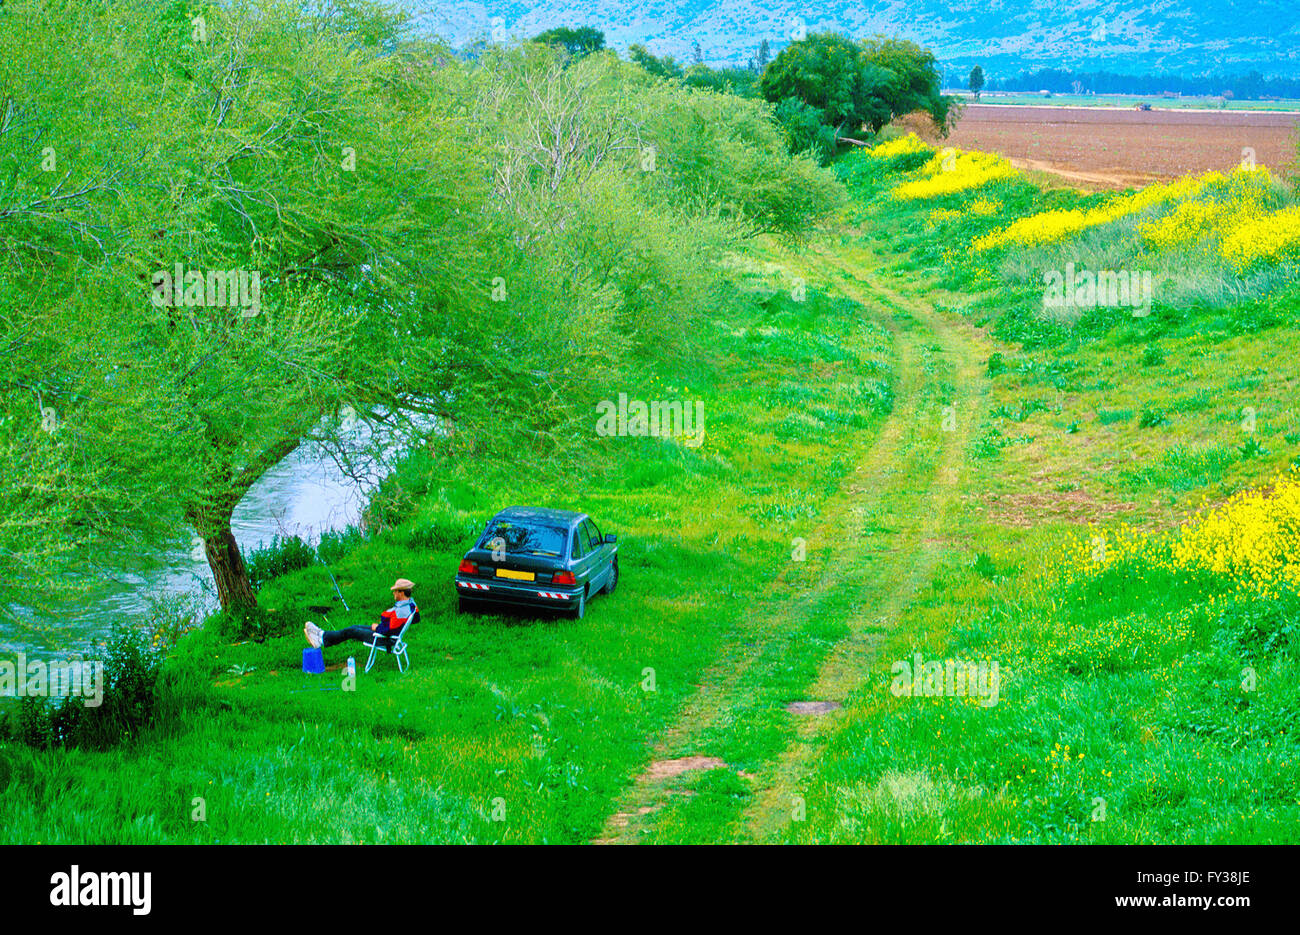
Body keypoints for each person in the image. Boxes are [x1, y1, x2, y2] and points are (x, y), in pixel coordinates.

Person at [305, 578, 417, 651]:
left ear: (401, 593)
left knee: (351, 631)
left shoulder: (401, 611)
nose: (393, 593)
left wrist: (378, 627)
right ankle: (322, 635)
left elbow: (388, 630)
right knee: (354, 627)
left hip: (384, 639)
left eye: (395, 591)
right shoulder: (410, 605)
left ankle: (321, 639)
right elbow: (416, 618)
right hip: (391, 637)